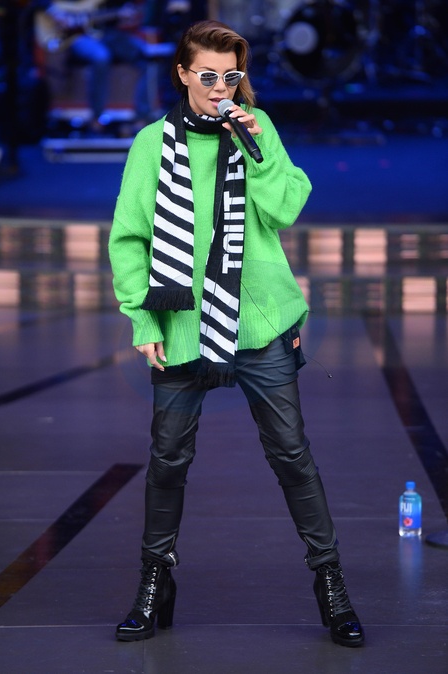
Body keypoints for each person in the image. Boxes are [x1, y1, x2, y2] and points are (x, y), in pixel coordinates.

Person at [109, 19, 365, 648]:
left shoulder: (257, 127)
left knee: (291, 455)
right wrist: (142, 318)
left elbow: (285, 208)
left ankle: (331, 584)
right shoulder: (151, 145)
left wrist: (256, 148)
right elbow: (130, 239)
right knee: (168, 460)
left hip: (260, 321)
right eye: (207, 75)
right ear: (182, 74)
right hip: (181, 324)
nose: (220, 86)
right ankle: (154, 582)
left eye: (231, 76)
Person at [32, 0, 174, 132]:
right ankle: (97, 118)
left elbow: (112, 15)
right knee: (101, 56)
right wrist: (56, 13)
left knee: (149, 58)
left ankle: (142, 118)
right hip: (76, 36)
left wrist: (122, 16)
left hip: (107, 33)